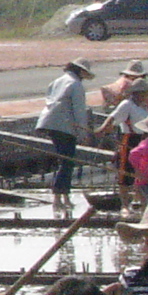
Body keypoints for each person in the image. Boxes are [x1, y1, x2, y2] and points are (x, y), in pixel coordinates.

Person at [37, 59, 94, 210]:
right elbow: (79, 110)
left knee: (64, 161)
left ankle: (64, 196)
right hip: (64, 126)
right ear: (80, 71)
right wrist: (83, 133)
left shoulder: (57, 81)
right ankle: (58, 197)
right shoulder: (76, 85)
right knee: (67, 162)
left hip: (51, 123)